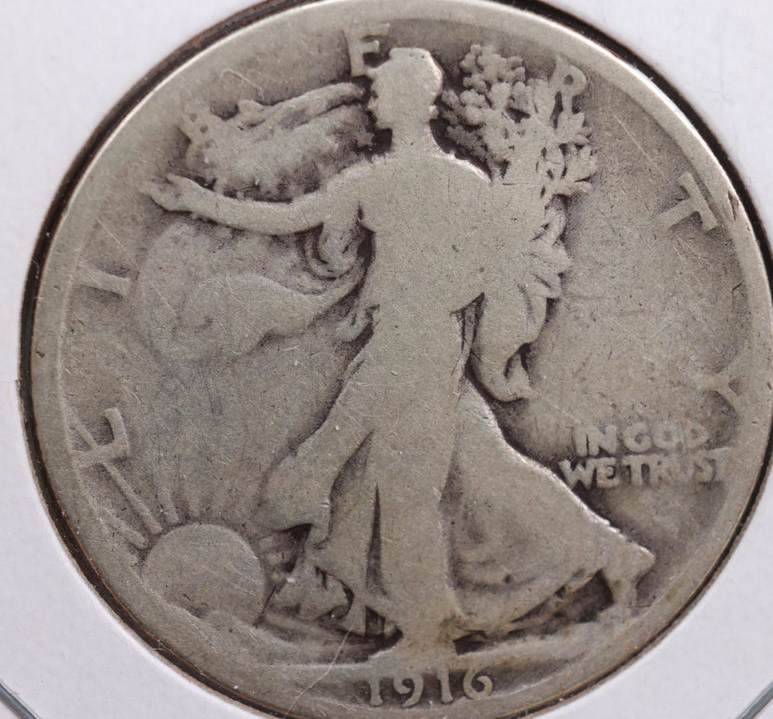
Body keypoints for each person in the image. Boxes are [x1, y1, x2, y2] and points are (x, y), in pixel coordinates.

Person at [148, 47, 653, 657]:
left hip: (413, 346)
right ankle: (615, 554)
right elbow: (294, 219)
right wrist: (202, 203)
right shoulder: (427, 181)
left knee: (403, 488)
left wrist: (439, 303)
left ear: (413, 99)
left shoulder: (404, 182)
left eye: (384, 89)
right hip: (420, 341)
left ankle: (428, 627)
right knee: (488, 467)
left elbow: (298, 220)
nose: (375, 99)